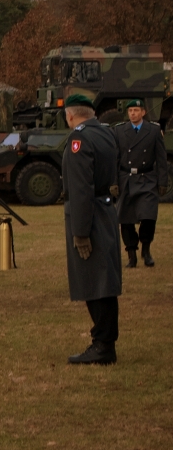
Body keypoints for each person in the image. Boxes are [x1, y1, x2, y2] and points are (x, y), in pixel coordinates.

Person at [62, 94, 122, 365]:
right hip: (106, 209)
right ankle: (105, 341)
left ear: (70, 116)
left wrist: (81, 231)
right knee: (105, 280)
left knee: (94, 282)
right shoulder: (106, 133)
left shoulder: (80, 139)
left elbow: (80, 189)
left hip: (91, 215)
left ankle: (103, 344)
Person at [111, 99, 168, 267]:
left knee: (148, 216)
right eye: (130, 111)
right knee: (126, 219)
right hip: (126, 178)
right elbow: (115, 158)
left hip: (147, 178)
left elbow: (161, 158)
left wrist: (162, 181)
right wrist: (113, 182)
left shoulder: (153, 130)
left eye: (136, 110)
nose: (133, 114)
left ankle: (146, 249)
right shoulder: (119, 131)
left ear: (143, 112)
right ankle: (131, 255)